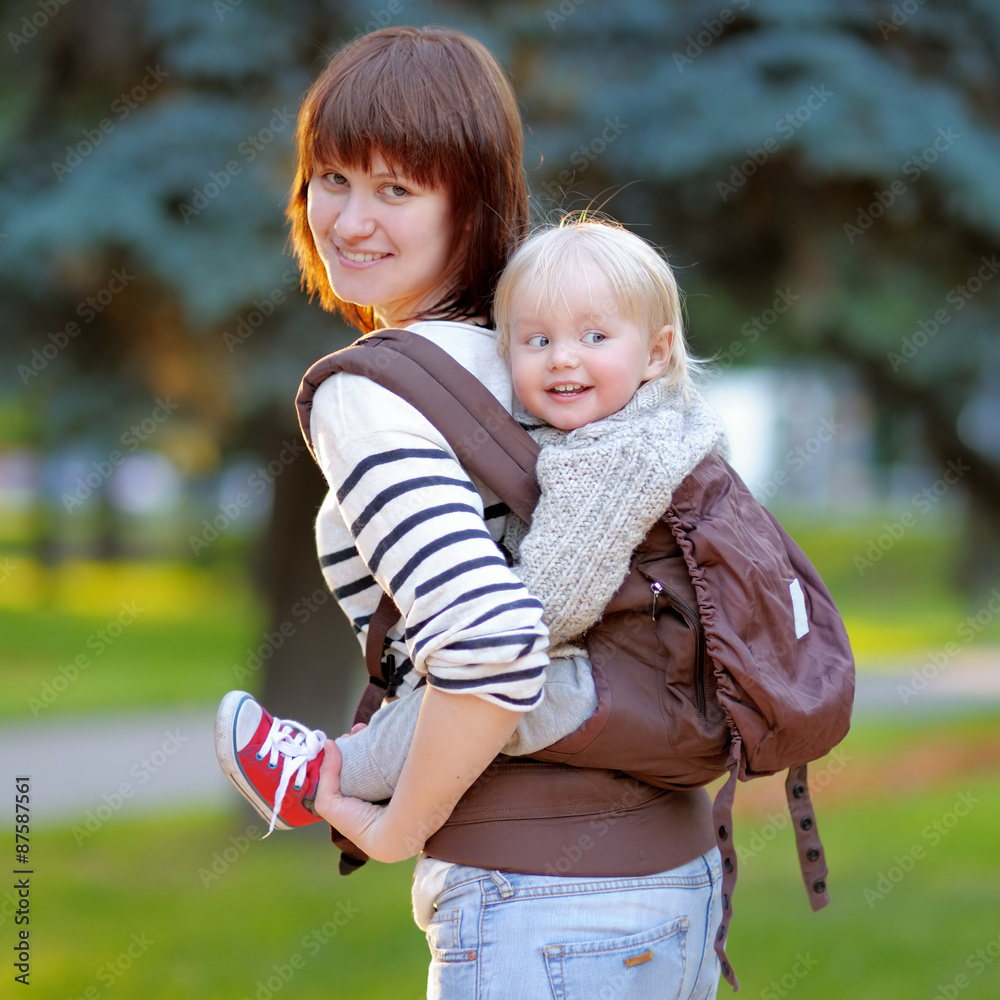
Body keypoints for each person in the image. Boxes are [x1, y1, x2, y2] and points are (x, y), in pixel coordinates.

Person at [215, 26, 723, 1000]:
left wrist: (395, 825)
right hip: (677, 882)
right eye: (330, 177)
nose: (349, 220)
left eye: (397, 188)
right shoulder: (558, 358)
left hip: (539, 899)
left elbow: (491, 641)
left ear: (471, 200)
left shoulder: (371, 393)